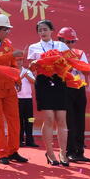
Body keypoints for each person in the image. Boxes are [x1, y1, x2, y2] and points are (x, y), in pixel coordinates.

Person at [0, 14, 28, 165]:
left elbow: (13, 64)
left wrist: (17, 78)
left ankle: (13, 151)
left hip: (9, 87)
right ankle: (2, 153)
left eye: (8, 30)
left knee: (14, 120)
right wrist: (10, 55)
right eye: (5, 30)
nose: (8, 33)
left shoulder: (7, 43)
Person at [28, 20, 70, 166]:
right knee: (50, 118)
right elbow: (31, 67)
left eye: (45, 29)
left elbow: (68, 64)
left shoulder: (61, 45)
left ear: (52, 30)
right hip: (44, 83)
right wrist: (34, 65)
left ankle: (63, 153)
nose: (42, 32)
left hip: (59, 82)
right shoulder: (34, 47)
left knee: (61, 119)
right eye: (40, 30)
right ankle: (50, 152)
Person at [57, 27, 90, 163]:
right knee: (69, 121)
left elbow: (87, 72)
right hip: (65, 89)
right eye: (68, 42)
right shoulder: (57, 53)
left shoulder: (79, 53)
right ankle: (70, 151)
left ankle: (79, 151)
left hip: (79, 88)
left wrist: (79, 66)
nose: (70, 45)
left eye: (72, 42)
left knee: (80, 120)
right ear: (60, 40)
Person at [17, 57, 38, 148]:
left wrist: (26, 75)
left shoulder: (27, 71)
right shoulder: (13, 70)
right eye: (17, 60)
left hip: (28, 99)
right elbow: (14, 82)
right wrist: (21, 76)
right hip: (17, 99)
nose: (19, 62)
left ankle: (30, 140)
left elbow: (34, 81)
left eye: (21, 60)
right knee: (19, 120)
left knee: (30, 120)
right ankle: (19, 140)